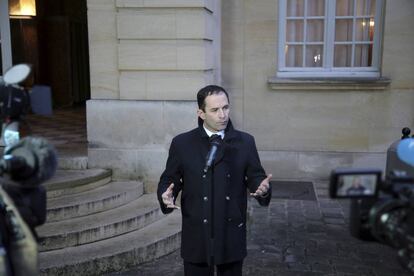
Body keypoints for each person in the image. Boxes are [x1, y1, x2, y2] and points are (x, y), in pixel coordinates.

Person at [157, 85, 272, 276]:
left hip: (231, 231)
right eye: (215, 110)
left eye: (225, 108)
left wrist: (263, 189)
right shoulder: (182, 143)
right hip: (197, 233)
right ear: (201, 113)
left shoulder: (245, 142)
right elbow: (170, 179)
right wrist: (165, 195)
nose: (222, 115)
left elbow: (256, 177)